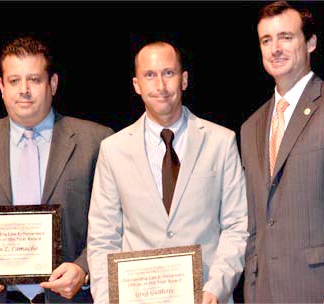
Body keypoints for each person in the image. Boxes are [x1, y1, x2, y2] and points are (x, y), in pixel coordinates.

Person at [0, 35, 113, 303]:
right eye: (14, 81)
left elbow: (115, 223)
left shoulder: (97, 141)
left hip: (71, 298)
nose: (24, 89)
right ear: (1, 86)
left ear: (52, 84)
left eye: (35, 80)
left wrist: (85, 268)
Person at [87, 40, 248, 304]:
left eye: (168, 73)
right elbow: (103, 237)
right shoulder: (112, 150)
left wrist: (217, 288)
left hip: (206, 297)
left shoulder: (222, 141)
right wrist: (106, 300)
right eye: (150, 75)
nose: (160, 86)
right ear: (137, 85)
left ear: (184, 80)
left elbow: (236, 226)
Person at [240, 1, 324, 303]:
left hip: (321, 289)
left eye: (286, 37)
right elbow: (254, 225)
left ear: (310, 42)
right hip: (266, 292)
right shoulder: (250, 126)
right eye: (266, 40)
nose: (275, 49)